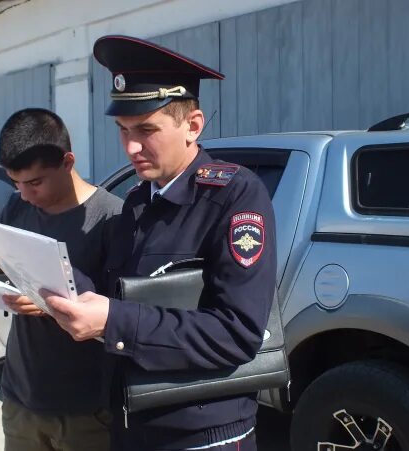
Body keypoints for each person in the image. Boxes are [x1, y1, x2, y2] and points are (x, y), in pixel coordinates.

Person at [43, 36, 277, 450]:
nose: (131, 147)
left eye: (146, 130)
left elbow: (238, 334)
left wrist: (113, 321)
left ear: (193, 125)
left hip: (200, 435)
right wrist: (47, 284)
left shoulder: (234, 197)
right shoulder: (138, 200)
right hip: (133, 422)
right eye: (123, 130)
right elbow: (119, 289)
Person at [0, 108, 123, 451]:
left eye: (34, 183)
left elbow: (124, 315)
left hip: (86, 409)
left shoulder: (112, 218)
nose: (26, 194)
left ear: (67, 162)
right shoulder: (18, 209)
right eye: (16, 183)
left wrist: (50, 304)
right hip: (21, 398)